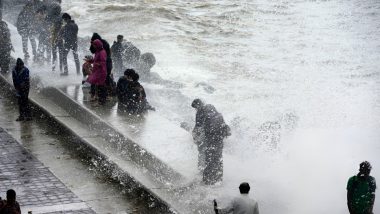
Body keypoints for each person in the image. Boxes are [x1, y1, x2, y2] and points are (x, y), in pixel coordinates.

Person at [192, 99, 231, 185]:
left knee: (209, 157)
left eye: (195, 108)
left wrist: (195, 137)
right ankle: (218, 179)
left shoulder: (199, 112)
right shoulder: (211, 106)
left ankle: (207, 180)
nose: (195, 110)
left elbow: (198, 127)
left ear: (196, 107)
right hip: (220, 135)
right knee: (218, 157)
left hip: (211, 136)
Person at [87, 39, 107, 105]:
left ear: (97, 45)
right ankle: (98, 98)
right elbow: (96, 60)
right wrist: (91, 61)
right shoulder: (97, 52)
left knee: (101, 86)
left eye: (94, 45)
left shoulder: (102, 52)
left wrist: (97, 64)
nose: (94, 47)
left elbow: (103, 62)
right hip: (97, 71)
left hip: (101, 71)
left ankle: (101, 101)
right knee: (97, 85)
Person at [47, 2, 63, 72]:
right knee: (61, 53)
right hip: (60, 38)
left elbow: (51, 28)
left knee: (54, 53)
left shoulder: (51, 17)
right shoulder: (62, 17)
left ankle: (54, 67)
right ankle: (61, 67)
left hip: (54, 38)